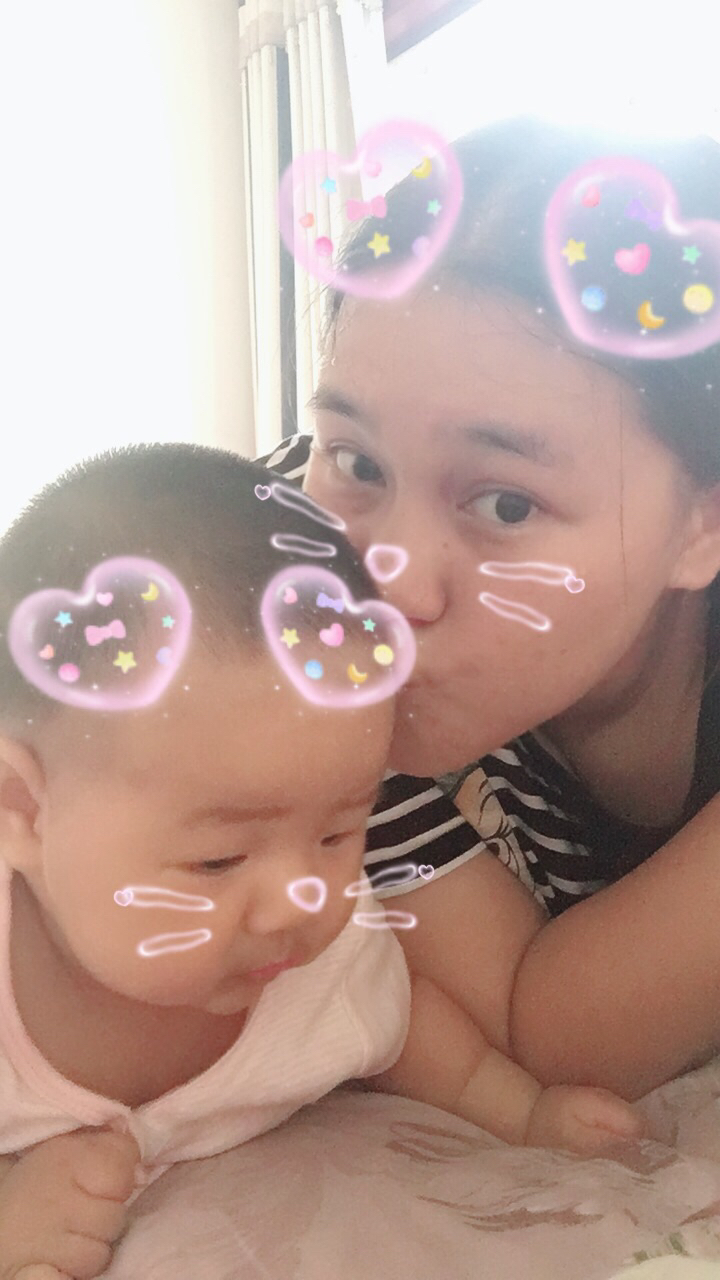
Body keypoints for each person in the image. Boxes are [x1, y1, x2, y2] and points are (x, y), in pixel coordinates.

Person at [0, 444, 639, 1280]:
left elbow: (409, 1032)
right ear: (23, 812)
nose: (300, 897)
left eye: (340, 833)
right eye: (219, 859)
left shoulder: (319, 970)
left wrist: (527, 1115)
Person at [263, 115, 720, 1101]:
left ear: (703, 521)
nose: (391, 587)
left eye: (506, 504)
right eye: (358, 461)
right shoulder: (278, 582)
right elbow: (535, 1027)